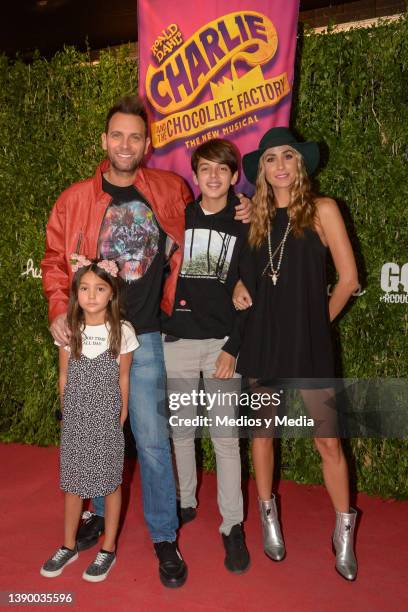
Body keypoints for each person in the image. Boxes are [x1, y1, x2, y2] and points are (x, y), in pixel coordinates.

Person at [41, 95, 251, 588]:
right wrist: (57, 308)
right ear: (104, 141)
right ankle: (91, 514)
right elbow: (54, 258)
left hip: (150, 336)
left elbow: (209, 213)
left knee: (155, 445)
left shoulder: (170, 188)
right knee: (89, 434)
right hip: (93, 338)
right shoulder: (75, 199)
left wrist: (250, 205)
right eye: (117, 135)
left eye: (135, 136)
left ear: (147, 143)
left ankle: (163, 536)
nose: (125, 144)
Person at [233, 127, 360, 581]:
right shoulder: (254, 219)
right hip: (262, 342)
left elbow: (348, 280)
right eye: (271, 159)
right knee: (262, 436)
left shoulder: (323, 210)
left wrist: (314, 325)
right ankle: (269, 518)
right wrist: (240, 287)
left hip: (310, 348)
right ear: (262, 170)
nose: (281, 165)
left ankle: (344, 529)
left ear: (300, 164)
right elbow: (242, 276)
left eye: (288, 156)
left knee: (329, 441)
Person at [161, 139, 250, 574]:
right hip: (175, 342)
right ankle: (186, 500)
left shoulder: (245, 222)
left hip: (220, 346)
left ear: (234, 176)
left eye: (222, 169)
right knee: (181, 431)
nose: (213, 176)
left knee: (225, 439)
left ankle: (232, 524)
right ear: (194, 176)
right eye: (205, 169)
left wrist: (233, 348)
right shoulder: (178, 216)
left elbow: (253, 295)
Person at [40, 257, 138, 582]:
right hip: (77, 418)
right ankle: (68, 545)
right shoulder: (69, 328)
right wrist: (68, 413)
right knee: (72, 484)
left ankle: (108, 548)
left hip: (107, 417)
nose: (91, 295)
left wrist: (120, 414)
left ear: (111, 293)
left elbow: (123, 377)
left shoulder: (122, 330)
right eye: (84, 288)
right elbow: (64, 374)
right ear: (76, 293)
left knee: (110, 483)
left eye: (99, 289)